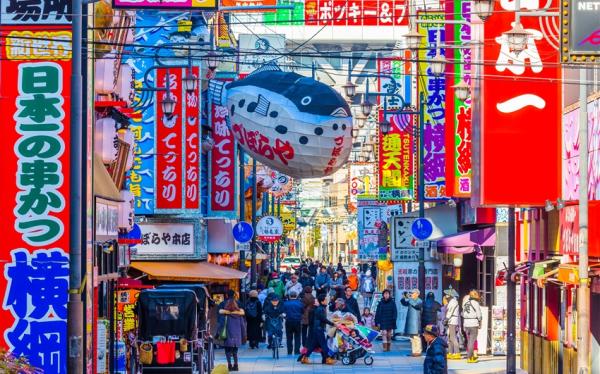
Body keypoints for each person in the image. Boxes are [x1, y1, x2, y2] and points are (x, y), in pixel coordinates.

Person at [298, 294, 337, 365]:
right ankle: (328, 359)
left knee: (312, 345)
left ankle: (305, 358)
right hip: (318, 329)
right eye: (325, 300)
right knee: (324, 345)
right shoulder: (320, 309)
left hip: (317, 329)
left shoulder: (321, 308)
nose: (327, 301)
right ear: (322, 302)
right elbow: (323, 319)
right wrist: (333, 324)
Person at [220, 299, 246, 372]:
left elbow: (221, 326)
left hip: (228, 336)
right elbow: (242, 326)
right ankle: (236, 365)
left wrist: (217, 334)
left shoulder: (225, 316)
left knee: (227, 351)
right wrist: (244, 336)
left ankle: (229, 366)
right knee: (235, 352)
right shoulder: (239, 316)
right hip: (237, 336)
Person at [401, 289, 423, 356]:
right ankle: (414, 351)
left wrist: (410, 299)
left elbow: (417, 306)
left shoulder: (419, 301)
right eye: (411, 293)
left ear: (417, 294)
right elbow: (404, 303)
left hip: (416, 321)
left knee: (416, 337)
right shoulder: (411, 300)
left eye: (412, 293)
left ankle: (418, 351)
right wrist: (404, 297)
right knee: (412, 337)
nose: (411, 294)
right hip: (411, 321)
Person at [462, 290, 482, 363]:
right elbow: (479, 314)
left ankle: (470, 356)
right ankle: (470, 357)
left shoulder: (465, 303)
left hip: (466, 323)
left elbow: (463, 314)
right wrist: (480, 321)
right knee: (472, 341)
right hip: (473, 323)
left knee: (469, 340)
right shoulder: (475, 303)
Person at [283, 291, 303, 355]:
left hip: (289, 321)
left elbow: (283, 313)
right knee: (297, 336)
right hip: (297, 321)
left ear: (289, 296)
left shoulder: (285, 303)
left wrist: (285, 317)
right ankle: (297, 351)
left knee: (289, 337)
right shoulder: (300, 303)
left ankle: (289, 351)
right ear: (296, 296)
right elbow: (303, 311)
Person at [443, 288, 460, 360]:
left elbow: (449, 312)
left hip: (452, 320)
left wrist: (446, 319)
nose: (446, 295)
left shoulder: (453, 302)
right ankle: (450, 352)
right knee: (450, 337)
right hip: (451, 320)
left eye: (447, 294)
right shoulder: (452, 301)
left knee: (453, 337)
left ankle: (457, 353)